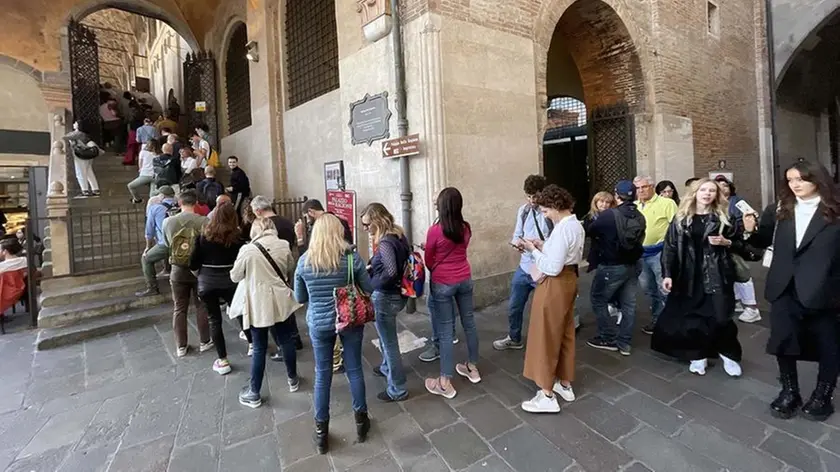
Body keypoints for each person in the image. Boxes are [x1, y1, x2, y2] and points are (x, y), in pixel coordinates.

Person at [743, 160, 840, 422]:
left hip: (825, 288)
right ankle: (790, 391)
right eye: (790, 180)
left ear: (817, 179)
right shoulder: (779, 209)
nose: (795, 185)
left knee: (828, 345)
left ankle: (823, 394)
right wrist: (749, 231)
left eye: (801, 179)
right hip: (784, 286)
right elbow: (761, 242)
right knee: (783, 341)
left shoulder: (835, 210)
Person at [293, 214, 373, 454]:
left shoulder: (305, 261)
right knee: (355, 369)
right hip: (349, 319)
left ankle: (321, 434)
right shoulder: (351, 258)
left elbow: (300, 298)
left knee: (322, 375)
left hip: (319, 323)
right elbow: (368, 288)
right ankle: (361, 422)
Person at [651, 178, 743, 378]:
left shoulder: (724, 216)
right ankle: (697, 354)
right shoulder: (681, 218)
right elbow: (670, 248)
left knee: (721, 317)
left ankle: (728, 354)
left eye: (712, 190)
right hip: (688, 275)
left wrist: (726, 242)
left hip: (717, 273)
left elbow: (742, 243)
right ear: (695, 193)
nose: (707, 194)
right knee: (692, 318)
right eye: (703, 190)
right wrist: (667, 273)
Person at [519, 185, 585, 413]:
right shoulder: (576, 225)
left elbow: (552, 267)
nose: (544, 215)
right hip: (570, 280)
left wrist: (532, 250)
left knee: (545, 335)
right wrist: (543, 245)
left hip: (555, 285)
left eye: (546, 211)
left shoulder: (562, 229)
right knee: (565, 332)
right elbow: (565, 255)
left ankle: (546, 394)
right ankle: (564, 383)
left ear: (555, 207)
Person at [232, 217, 301, 408]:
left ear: (255, 230)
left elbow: (235, 275)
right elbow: (289, 268)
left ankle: (254, 392)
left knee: (259, 346)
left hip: (257, 303)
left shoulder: (248, 250)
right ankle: (293, 379)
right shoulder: (283, 244)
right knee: (286, 340)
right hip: (280, 299)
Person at [423, 187, 481, 400]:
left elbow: (429, 260)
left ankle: (445, 382)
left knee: (446, 331)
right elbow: (461, 247)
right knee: (470, 323)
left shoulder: (434, 231)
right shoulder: (465, 227)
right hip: (464, 278)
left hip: (443, 283)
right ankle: (472, 368)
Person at [493, 175, 554, 352]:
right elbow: (517, 234)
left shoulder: (550, 212)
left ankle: (548, 342)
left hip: (543, 266)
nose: (532, 200)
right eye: (528, 196)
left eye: (535, 196)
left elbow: (557, 240)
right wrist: (517, 244)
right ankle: (514, 338)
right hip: (525, 266)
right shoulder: (524, 210)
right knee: (514, 306)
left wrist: (538, 244)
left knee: (545, 309)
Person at [585, 181, 645, 355]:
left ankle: (607, 336)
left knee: (598, 299)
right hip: (633, 264)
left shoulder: (609, 215)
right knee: (628, 304)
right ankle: (624, 343)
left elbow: (591, 231)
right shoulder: (640, 216)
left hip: (611, 265)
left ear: (617, 195)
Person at [295, 198, 353, 373]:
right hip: (341, 281)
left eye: (307, 216)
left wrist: (299, 238)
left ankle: (335, 359)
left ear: (311, 212)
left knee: (322, 371)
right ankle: (338, 355)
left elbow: (306, 257)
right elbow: (350, 247)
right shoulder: (340, 222)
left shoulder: (317, 228)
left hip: (323, 282)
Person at [190, 202, 248, 375]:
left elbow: (193, 262)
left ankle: (222, 360)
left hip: (207, 282)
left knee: (214, 320)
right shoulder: (237, 238)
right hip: (231, 281)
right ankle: (253, 344)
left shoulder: (203, 237)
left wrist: (200, 276)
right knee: (240, 312)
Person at [361, 203, 411, 402]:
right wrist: (373, 264)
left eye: (367, 224)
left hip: (386, 296)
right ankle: (385, 367)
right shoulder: (398, 234)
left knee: (389, 343)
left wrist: (370, 284)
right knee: (385, 338)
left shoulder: (386, 242)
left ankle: (397, 388)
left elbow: (390, 271)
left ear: (377, 221)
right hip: (398, 294)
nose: (365, 229)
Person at [250, 195, 303, 355]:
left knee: (275, 310)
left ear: (259, 211)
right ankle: (295, 337)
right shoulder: (287, 222)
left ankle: (285, 343)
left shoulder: (262, 226)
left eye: (254, 211)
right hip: (284, 267)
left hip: (268, 271)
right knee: (287, 302)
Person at [162, 189, 212, 357]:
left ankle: (181, 346)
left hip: (177, 269)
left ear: (179, 203)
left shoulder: (168, 222)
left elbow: (167, 244)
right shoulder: (204, 221)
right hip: (199, 269)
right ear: (196, 202)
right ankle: (205, 341)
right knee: (201, 305)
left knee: (179, 308)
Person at [634, 175, 678, 334]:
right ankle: (657, 318)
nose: (641, 191)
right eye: (638, 188)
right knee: (648, 289)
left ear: (652, 187)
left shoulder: (667, 203)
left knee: (665, 288)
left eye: (644, 187)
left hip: (660, 253)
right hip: (640, 254)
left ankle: (673, 321)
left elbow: (677, 227)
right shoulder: (634, 206)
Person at [714, 175, 762, 323]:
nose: (722, 188)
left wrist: (748, 226)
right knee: (730, 273)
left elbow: (752, 217)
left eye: (725, 185)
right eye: (718, 185)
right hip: (722, 244)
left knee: (741, 272)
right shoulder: (715, 203)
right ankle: (737, 301)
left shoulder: (737, 202)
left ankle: (751, 307)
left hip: (736, 240)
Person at [137, 186, 177, 296]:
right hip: (182, 243)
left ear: (162, 196)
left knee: (146, 259)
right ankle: (167, 269)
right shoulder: (180, 205)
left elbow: (149, 231)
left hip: (165, 244)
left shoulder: (155, 208)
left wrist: (148, 247)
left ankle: (152, 288)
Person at [66, 121, 101, 198]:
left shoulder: (75, 134)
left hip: (81, 155)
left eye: (75, 123)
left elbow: (65, 138)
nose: (74, 124)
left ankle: (85, 190)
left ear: (78, 126)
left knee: (80, 173)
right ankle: (95, 189)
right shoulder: (85, 134)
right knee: (89, 172)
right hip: (89, 154)